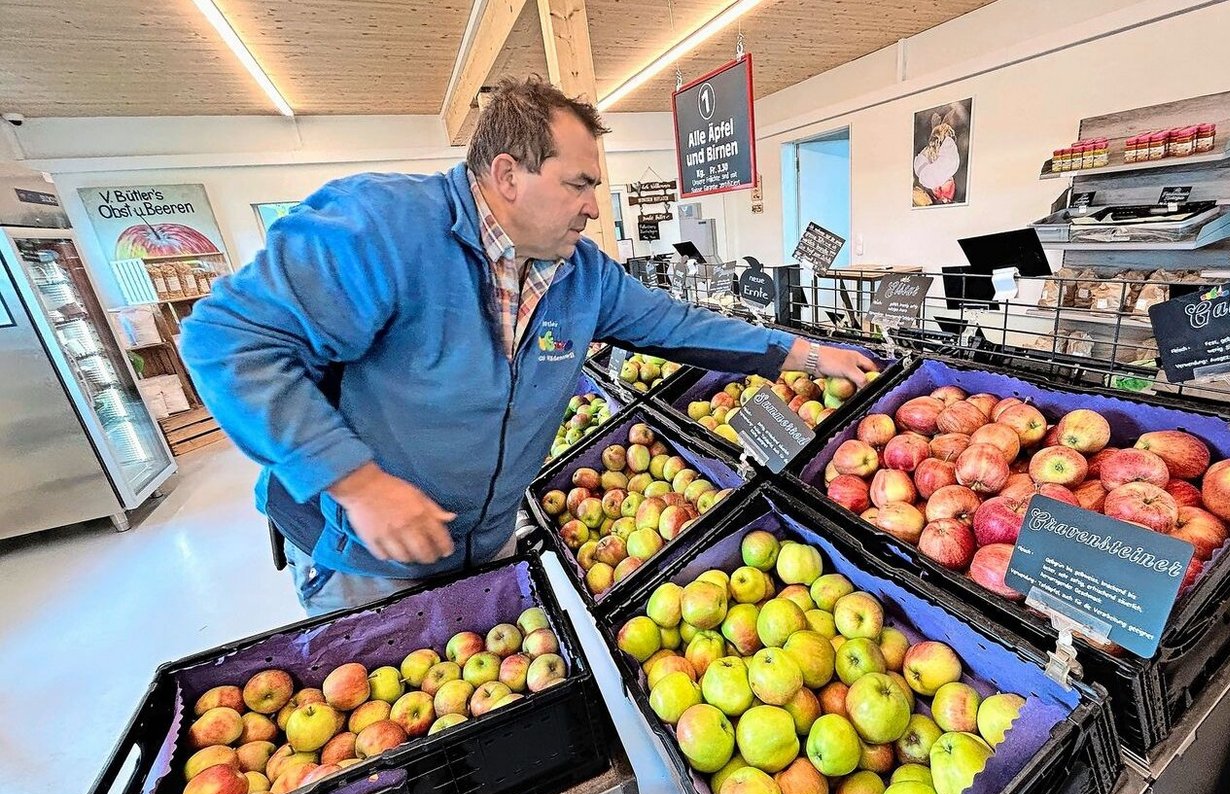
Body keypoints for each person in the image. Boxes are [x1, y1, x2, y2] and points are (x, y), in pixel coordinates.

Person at [181, 77, 874, 615]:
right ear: (509, 176)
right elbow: (227, 340)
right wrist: (356, 483)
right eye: (579, 184)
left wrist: (808, 355)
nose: (594, 207)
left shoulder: (581, 276)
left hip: (482, 546)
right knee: (391, 764)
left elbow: (684, 326)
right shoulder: (386, 228)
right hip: (359, 554)